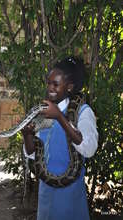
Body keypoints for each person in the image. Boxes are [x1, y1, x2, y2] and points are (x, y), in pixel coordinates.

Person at [22, 56, 98, 220]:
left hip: (70, 198)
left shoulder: (83, 112)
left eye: (55, 84)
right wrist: (27, 136)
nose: (50, 88)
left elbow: (89, 148)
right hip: (45, 196)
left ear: (69, 87)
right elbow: (32, 153)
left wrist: (59, 117)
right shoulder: (42, 112)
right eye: (48, 83)